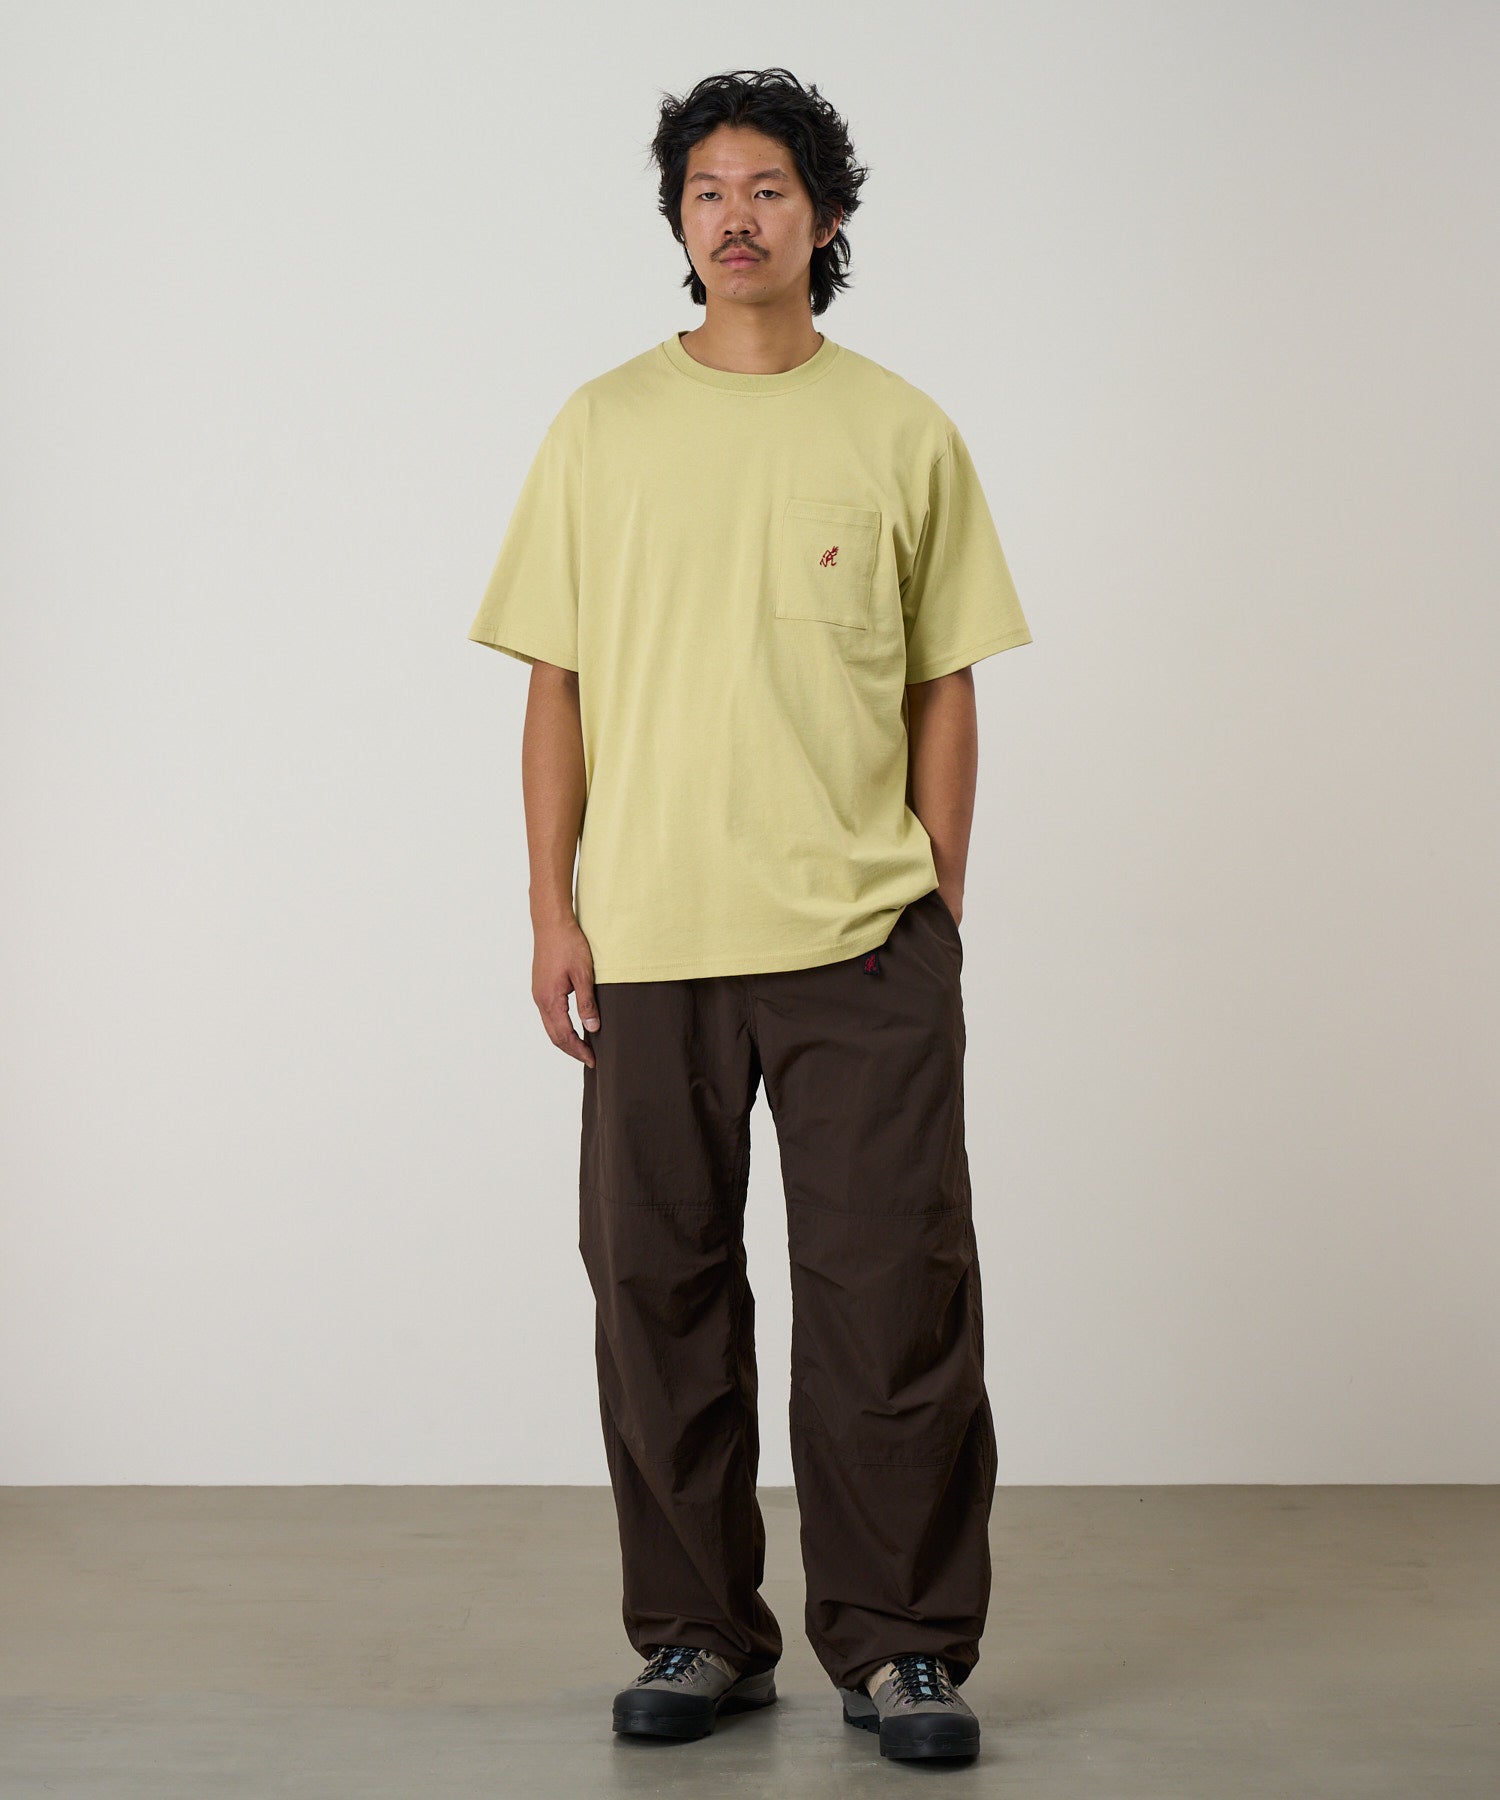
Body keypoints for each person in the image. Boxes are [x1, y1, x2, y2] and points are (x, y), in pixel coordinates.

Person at [467, 67, 1033, 1764]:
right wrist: (551, 910)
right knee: (658, 1297)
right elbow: (557, 685)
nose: (737, 215)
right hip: (649, 938)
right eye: (708, 189)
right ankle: (698, 1630)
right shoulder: (601, 427)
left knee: (892, 1301)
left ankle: (906, 1647)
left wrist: (934, 891)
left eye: (770, 187)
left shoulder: (900, 429)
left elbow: (946, 680)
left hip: (863, 942)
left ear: (826, 217)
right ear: (678, 219)